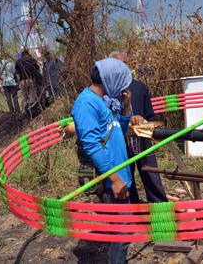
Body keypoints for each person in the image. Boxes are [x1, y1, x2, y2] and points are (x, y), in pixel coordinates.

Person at [72, 58, 133, 264]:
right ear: (111, 79)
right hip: (109, 178)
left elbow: (118, 131)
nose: (124, 87)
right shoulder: (85, 103)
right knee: (122, 232)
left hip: (119, 173)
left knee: (122, 230)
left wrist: (126, 107)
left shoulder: (105, 101)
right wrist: (115, 179)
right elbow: (91, 145)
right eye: (122, 81)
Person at [109, 51, 168, 203]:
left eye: (125, 64)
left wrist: (149, 126)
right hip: (121, 144)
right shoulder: (107, 92)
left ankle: (159, 209)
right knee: (127, 181)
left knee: (152, 177)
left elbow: (151, 115)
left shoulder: (140, 87)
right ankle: (134, 212)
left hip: (143, 142)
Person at [14, 50, 42, 117]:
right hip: (28, 80)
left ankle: (26, 111)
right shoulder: (31, 61)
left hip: (26, 81)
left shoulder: (19, 62)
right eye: (27, 55)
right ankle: (29, 111)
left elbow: (16, 73)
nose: (28, 56)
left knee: (27, 98)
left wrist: (18, 81)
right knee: (30, 97)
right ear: (25, 55)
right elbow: (37, 71)